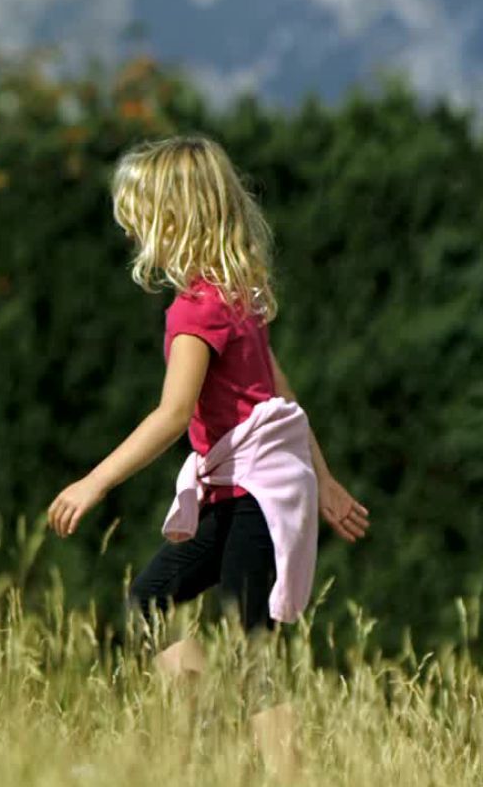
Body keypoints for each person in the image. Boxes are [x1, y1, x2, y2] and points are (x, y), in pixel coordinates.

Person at [47, 136, 369, 774]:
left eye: (140, 220)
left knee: (255, 646)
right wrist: (324, 481)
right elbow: (282, 398)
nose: (137, 235)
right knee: (150, 600)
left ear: (171, 221)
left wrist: (94, 481)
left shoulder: (197, 312)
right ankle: (197, 736)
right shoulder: (238, 294)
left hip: (256, 495)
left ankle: (277, 769)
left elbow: (172, 416)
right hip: (248, 488)